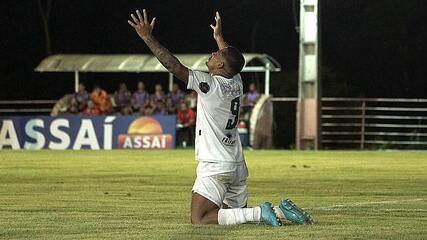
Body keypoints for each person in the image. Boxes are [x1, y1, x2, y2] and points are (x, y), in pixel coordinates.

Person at [128, 9, 314, 226]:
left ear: (221, 66)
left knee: (199, 219)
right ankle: (280, 212)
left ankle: (260, 213)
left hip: (215, 164)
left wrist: (147, 37)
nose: (213, 54)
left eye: (216, 55)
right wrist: (218, 38)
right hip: (236, 164)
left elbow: (174, 66)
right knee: (230, 217)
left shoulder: (209, 86)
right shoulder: (237, 81)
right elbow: (230, 57)